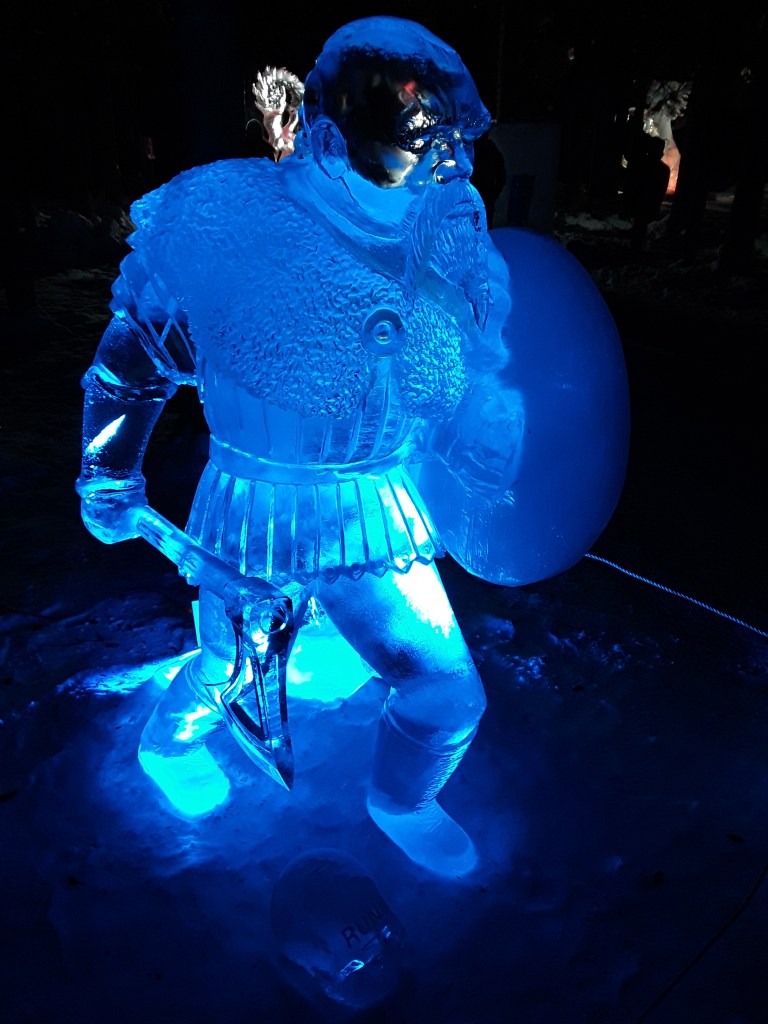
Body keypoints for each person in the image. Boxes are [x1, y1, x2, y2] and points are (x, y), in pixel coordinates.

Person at [76, 17, 628, 877]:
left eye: (453, 144)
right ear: (333, 142)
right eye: (421, 143)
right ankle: (170, 742)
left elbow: (451, 377)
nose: (446, 166)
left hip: (376, 499)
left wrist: (476, 442)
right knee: (230, 665)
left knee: (446, 694)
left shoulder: (441, 241)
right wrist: (109, 469)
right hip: (254, 507)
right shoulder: (228, 224)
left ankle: (402, 798)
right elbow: (131, 355)